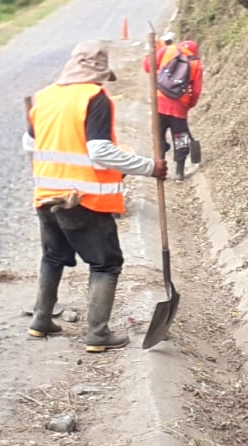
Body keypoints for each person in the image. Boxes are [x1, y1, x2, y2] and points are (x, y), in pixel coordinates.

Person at [25, 41, 166, 351]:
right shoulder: (94, 97)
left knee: (52, 256)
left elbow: (29, 144)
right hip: (83, 200)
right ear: (99, 71)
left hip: (46, 196)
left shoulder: (44, 96)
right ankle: (98, 335)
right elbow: (100, 151)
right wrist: (149, 167)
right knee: (105, 264)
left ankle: (41, 320)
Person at [142, 32, 204, 181]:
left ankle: (160, 168)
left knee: (158, 135)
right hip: (180, 106)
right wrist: (188, 105)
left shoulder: (169, 50)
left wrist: (152, 50)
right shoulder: (196, 64)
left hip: (159, 102)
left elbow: (147, 66)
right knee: (181, 138)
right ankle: (179, 172)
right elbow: (196, 90)